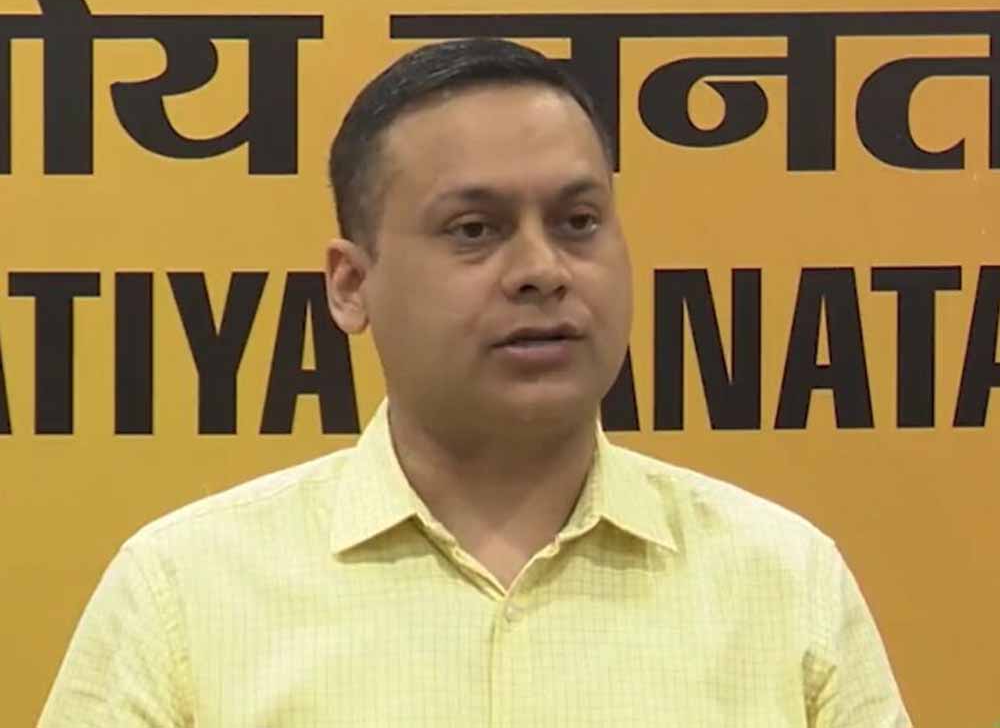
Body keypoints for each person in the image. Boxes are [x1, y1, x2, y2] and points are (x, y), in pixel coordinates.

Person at [37, 38, 913, 727]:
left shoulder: (782, 580)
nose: (542, 271)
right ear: (351, 285)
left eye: (578, 222)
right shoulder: (186, 592)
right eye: (473, 230)